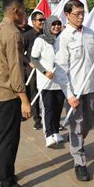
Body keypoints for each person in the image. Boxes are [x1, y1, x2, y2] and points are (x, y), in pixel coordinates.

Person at [55, 0, 94, 182]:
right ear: (67, 15)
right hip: (75, 91)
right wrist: (69, 95)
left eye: (82, 13)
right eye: (76, 14)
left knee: (91, 118)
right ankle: (79, 162)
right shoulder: (63, 38)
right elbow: (61, 71)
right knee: (77, 125)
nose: (80, 17)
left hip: (90, 88)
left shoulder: (89, 33)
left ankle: (77, 143)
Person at [0, 0, 33, 187]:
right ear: (15, 10)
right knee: (8, 140)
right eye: (23, 10)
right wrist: (24, 100)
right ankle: (7, 184)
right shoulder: (12, 33)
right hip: (7, 94)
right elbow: (15, 69)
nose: (25, 14)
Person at [31, 16, 65, 148]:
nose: (56, 26)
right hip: (46, 82)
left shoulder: (62, 40)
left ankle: (56, 132)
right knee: (49, 108)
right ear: (48, 25)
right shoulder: (40, 40)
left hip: (60, 81)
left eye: (58, 24)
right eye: (53, 24)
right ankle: (48, 135)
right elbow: (34, 59)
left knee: (58, 108)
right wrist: (45, 72)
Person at [22, 11, 45, 130]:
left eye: (43, 20)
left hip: (46, 70)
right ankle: (37, 119)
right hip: (33, 70)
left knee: (47, 94)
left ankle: (49, 119)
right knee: (34, 94)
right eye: (40, 20)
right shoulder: (28, 35)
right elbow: (19, 52)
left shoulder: (48, 34)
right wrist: (29, 62)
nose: (42, 22)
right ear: (34, 21)